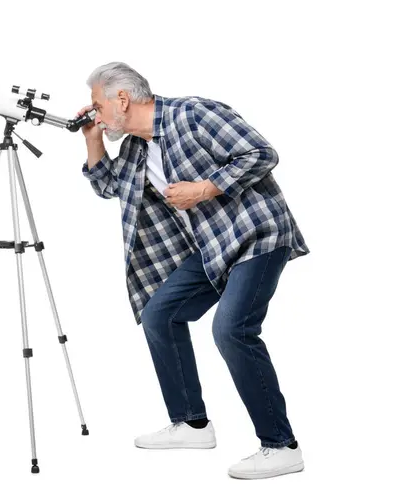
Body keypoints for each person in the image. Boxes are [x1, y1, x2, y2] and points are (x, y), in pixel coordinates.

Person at [78, 62, 310, 480]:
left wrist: (205, 188)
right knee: (158, 314)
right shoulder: (133, 146)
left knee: (231, 330)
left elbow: (261, 153)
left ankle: (281, 445)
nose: (94, 111)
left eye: (98, 104)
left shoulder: (193, 114)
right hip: (209, 247)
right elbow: (108, 187)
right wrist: (94, 140)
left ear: (122, 99)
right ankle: (192, 423)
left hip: (254, 234)